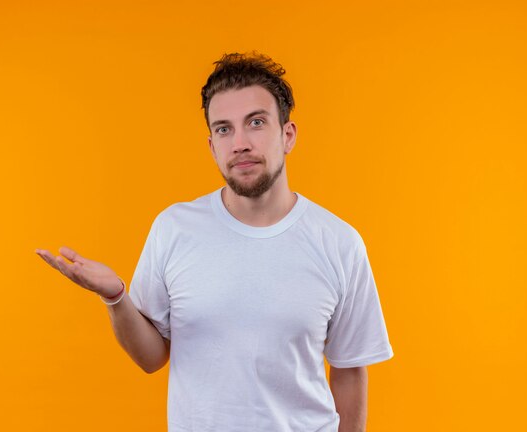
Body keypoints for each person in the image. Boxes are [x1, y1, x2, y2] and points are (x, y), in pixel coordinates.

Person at [36, 51, 394, 432]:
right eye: (224, 129)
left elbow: (350, 370)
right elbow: (150, 358)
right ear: (211, 146)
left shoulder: (339, 243)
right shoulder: (175, 228)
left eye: (256, 123)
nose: (239, 143)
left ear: (287, 135)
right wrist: (116, 297)